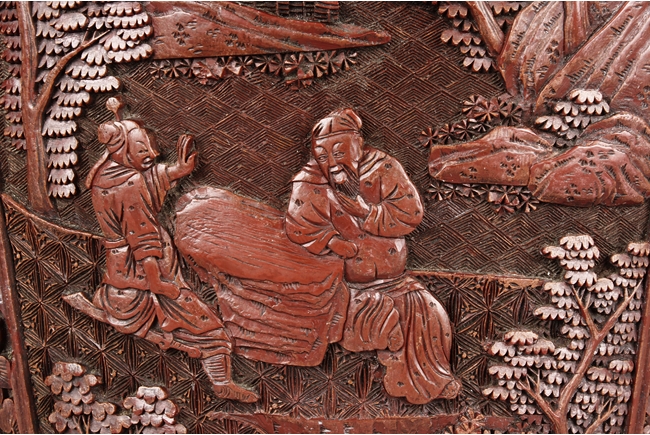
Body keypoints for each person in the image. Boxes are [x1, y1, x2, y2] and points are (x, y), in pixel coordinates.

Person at [85, 98, 258, 403]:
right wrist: (158, 282)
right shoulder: (129, 183)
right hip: (145, 278)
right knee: (212, 331)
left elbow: (145, 182)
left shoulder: (106, 176)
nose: (152, 154)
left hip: (119, 274)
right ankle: (222, 384)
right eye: (142, 149)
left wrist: (177, 171)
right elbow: (142, 237)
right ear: (123, 149)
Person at [286, 108, 461, 404]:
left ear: (358, 144)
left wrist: (367, 212)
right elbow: (298, 226)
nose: (332, 163)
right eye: (323, 155)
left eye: (339, 152)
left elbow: (411, 213)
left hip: (395, 281)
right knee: (378, 320)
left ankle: (435, 382)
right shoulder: (310, 181)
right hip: (346, 286)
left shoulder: (383, 168)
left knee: (432, 315)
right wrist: (331, 241)